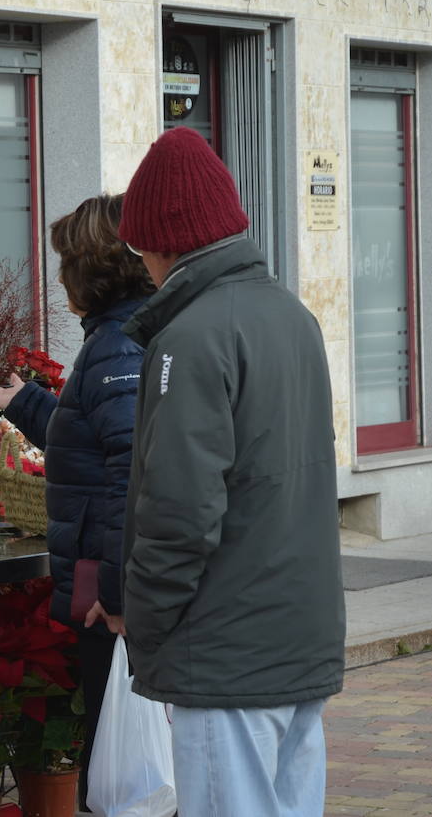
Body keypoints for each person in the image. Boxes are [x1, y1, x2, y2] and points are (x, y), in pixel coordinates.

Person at [117, 126, 344, 816]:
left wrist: (146, 623)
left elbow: (180, 509)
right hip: (294, 631)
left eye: (140, 250)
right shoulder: (291, 316)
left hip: (225, 647)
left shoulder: (190, 336)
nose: (142, 268)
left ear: (163, 242)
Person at [0, 194, 152, 804]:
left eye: (66, 263)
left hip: (113, 597)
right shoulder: (118, 340)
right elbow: (95, 443)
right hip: (111, 588)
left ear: (88, 272)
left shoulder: (121, 348)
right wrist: (19, 402)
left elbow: (131, 475)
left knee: (125, 773)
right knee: (122, 763)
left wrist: (119, 595)